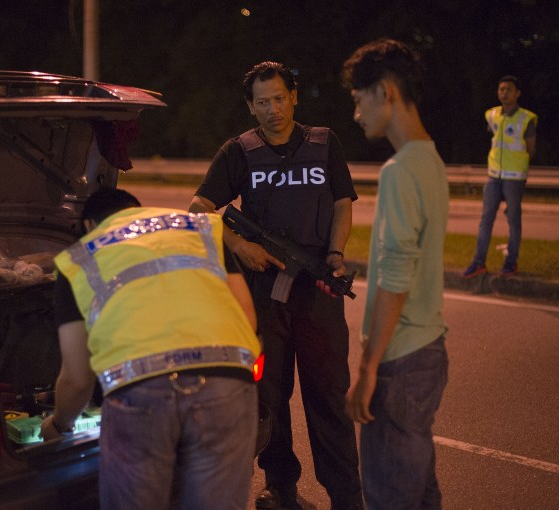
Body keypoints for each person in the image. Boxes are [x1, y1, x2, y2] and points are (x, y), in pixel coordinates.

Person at [189, 61, 362, 510]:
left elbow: (343, 205)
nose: (272, 109)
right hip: (263, 292)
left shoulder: (325, 143)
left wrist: (336, 254)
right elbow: (199, 209)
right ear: (251, 107)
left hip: (317, 290)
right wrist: (239, 245)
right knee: (270, 398)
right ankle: (280, 487)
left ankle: (346, 496)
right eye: (262, 102)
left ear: (294, 97)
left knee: (328, 395)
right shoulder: (239, 151)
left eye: (279, 98)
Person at [41, 188, 262, 510]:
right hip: (226, 382)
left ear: (90, 224)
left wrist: (60, 424)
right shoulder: (199, 228)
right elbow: (247, 315)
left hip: (141, 391)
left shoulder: (78, 258)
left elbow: (77, 376)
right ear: (136, 211)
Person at [341, 38, 450, 509]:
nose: (357, 114)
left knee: (390, 498)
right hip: (430, 351)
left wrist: (367, 370)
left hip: (401, 361)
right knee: (420, 495)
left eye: (358, 99)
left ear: (384, 92)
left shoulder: (399, 171)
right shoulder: (431, 159)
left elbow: (395, 279)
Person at [463, 75, 537, 278]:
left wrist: (518, 167)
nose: (504, 93)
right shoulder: (492, 115)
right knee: (486, 219)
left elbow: (531, 149)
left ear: (517, 93)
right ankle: (479, 263)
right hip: (494, 176)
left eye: (509, 89)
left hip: (514, 177)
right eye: (501, 89)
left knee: (513, 220)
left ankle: (510, 263)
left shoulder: (526, 119)